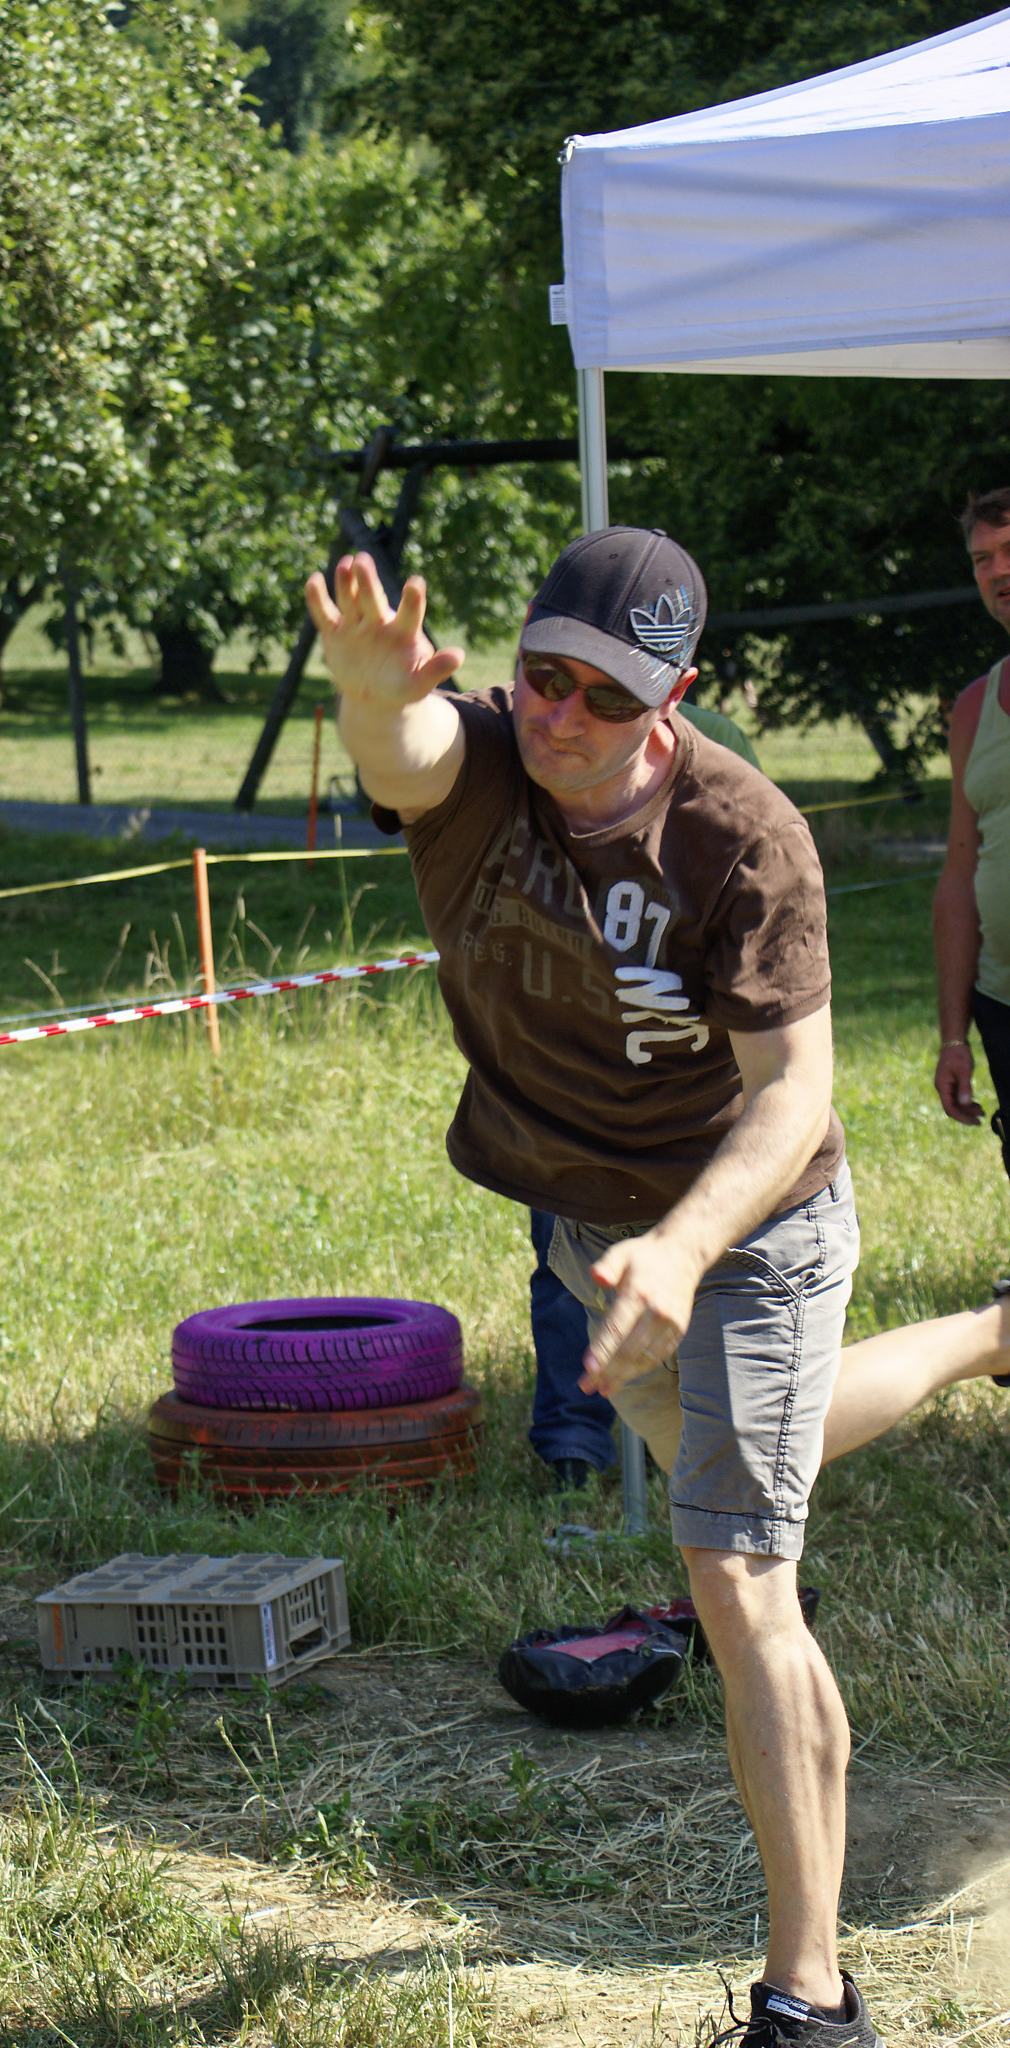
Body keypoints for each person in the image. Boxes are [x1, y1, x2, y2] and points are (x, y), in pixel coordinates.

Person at [304, 525, 997, 2048]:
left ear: (672, 698)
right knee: (755, 1486)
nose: (561, 716)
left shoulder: (744, 838)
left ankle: (809, 1998)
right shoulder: (486, 763)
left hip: (747, 1234)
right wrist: (365, 693)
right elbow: (413, 752)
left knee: (737, 1572)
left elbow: (794, 1092)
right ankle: (989, 1335)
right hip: (591, 1232)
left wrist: (685, 1249)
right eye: (543, 676)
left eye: (606, 696)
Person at [530, 695, 762, 1503]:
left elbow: (747, 893)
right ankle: (571, 1439)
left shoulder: (719, 747)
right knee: (565, 1270)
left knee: (712, 1284)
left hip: (685, 1086)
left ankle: (724, 1441)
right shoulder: (538, 739)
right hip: (569, 1083)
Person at [934, 487, 1010, 1189]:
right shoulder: (974, 708)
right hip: (1003, 1003)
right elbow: (959, 878)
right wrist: (953, 1037)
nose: (997, 570)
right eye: (982, 559)